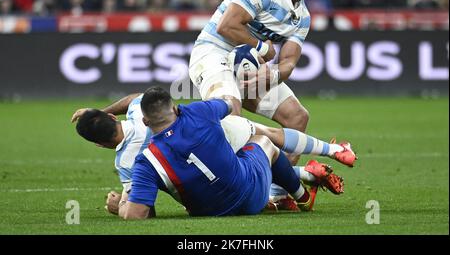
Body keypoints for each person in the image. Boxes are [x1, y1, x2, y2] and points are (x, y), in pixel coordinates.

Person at [188, 0, 355, 205]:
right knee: (232, 117)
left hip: (249, 67)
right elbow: (227, 26)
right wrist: (264, 47)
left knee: (297, 117)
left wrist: (272, 76)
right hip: (212, 55)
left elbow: (288, 62)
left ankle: (276, 192)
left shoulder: (302, 18)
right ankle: (238, 188)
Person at [72, 92, 348, 214]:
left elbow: (142, 208)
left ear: (100, 145)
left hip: (200, 195)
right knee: (269, 139)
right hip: (214, 136)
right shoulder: (183, 111)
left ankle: (291, 186)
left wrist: (119, 204)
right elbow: (136, 99)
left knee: (201, 179)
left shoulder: (133, 161)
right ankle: (324, 159)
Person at [115, 86, 320, 219]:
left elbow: (137, 214)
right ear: (175, 109)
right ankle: (302, 198)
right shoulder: (198, 111)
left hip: (208, 213)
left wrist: (120, 206)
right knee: (263, 141)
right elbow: (229, 104)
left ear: (145, 122)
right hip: (251, 197)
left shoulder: (145, 161)